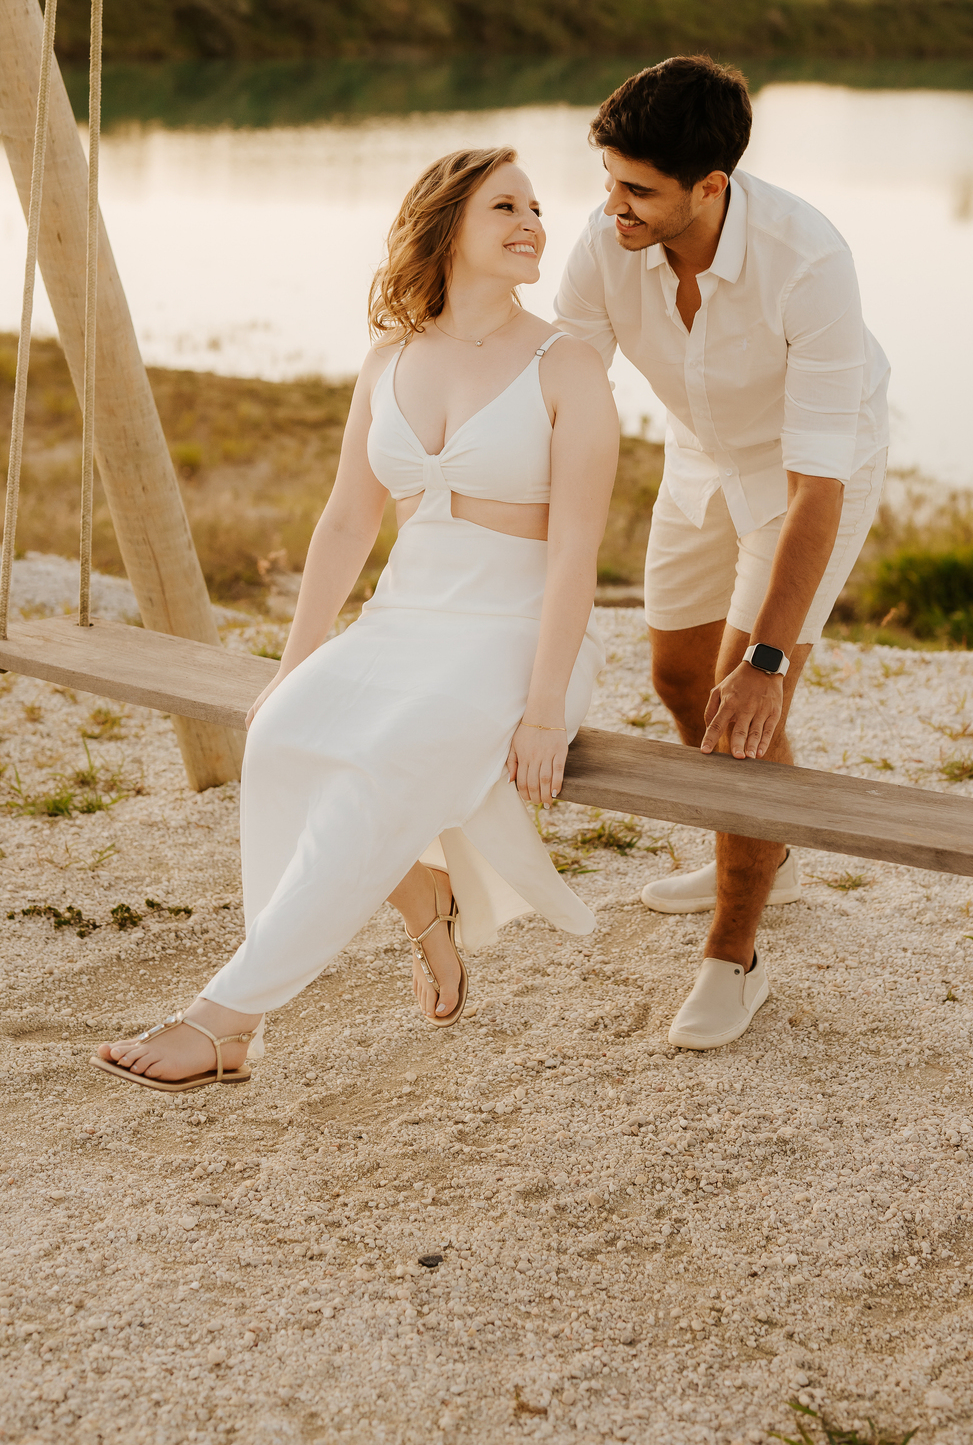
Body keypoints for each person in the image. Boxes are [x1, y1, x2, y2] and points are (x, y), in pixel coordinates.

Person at [93, 146, 618, 1092]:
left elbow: (579, 550)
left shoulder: (568, 365)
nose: (534, 221)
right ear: (447, 223)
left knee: (381, 763)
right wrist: (293, 664)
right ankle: (425, 905)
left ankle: (225, 1020)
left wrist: (545, 709)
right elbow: (347, 519)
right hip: (405, 618)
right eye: (506, 205)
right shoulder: (390, 359)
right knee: (285, 738)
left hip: (521, 630)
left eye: (538, 206)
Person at [555, 56, 889, 1051]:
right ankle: (757, 843)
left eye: (637, 190)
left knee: (745, 711)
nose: (612, 206)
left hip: (804, 475)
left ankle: (733, 956)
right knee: (678, 680)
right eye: (608, 179)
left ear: (713, 186)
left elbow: (817, 489)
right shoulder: (607, 238)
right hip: (700, 457)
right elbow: (566, 393)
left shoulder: (809, 260)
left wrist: (773, 664)